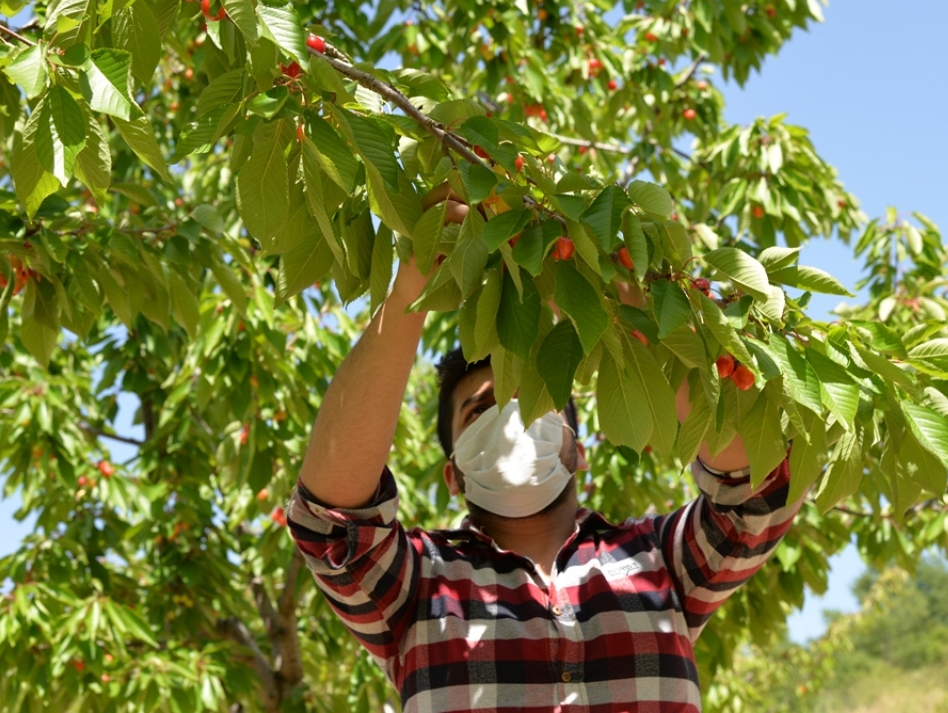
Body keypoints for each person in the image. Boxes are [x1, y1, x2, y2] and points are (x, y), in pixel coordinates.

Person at [287, 188, 804, 713]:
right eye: (480, 409)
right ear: (453, 476)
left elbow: (758, 491)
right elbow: (332, 524)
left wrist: (633, 317)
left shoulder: (659, 561)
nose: (509, 418)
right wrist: (412, 287)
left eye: (531, 401)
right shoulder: (420, 584)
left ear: (578, 450)